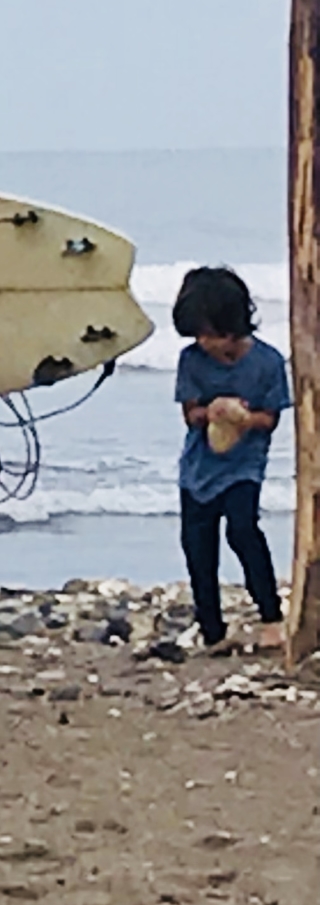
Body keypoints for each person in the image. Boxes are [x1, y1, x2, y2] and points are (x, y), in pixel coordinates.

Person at [169, 265, 287, 654]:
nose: (204, 342)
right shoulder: (192, 361)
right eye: (197, 335)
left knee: (243, 532)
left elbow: (269, 420)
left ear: (232, 325)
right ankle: (212, 630)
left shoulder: (268, 363)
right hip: (199, 470)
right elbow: (190, 414)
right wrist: (211, 412)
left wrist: (242, 417)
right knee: (198, 547)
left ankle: (271, 618)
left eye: (210, 334)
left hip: (243, 468)